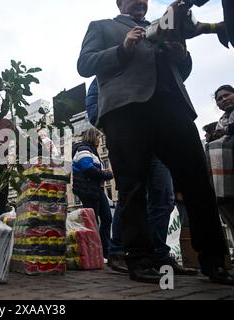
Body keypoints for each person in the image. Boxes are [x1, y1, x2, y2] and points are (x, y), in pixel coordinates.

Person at [77, 0, 233, 285]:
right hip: (125, 112)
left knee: (198, 184)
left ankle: (215, 261)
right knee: (132, 188)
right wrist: (122, 48)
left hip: (173, 108)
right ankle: (139, 259)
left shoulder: (165, 27)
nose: (141, 2)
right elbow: (85, 64)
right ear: (120, 2)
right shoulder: (101, 27)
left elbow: (181, 72)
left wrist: (181, 55)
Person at [86, 78, 196, 276]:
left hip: (159, 138)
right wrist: (110, 125)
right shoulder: (108, 72)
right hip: (129, 136)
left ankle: (158, 254)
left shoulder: (152, 65)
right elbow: (93, 106)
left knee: (164, 198)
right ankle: (118, 251)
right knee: (132, 193)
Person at [72, 127, 113, 258]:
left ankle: (104, 251)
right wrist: (107, 174)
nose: (100, 140)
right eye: (98, 137)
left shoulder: (92, 151)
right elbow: (87, 168)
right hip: (88, 190)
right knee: (93, 222)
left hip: (97, 190)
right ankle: (94, 252)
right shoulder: (84, 149)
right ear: (93, 137)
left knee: (106, 218)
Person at [205, 85, 234, 259]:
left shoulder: (225, 126)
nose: (223, 100)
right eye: (219, 99)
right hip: (225, 182)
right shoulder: (221, 122)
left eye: (227, 95)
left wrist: (227, 131)